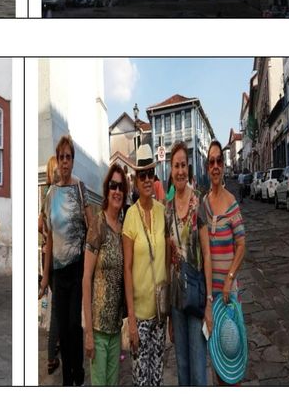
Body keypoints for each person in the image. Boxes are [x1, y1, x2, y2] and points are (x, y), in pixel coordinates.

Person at [40, 135, 92, 385]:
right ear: (57, 160)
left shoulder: (80, 189)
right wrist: (46, 275)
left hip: (78, 267)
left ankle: (76, 373)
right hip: (59, 272)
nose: (64, 162)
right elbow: (49, 238)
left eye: (68, 157)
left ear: (73, 160)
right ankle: (67, 379)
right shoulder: (50, 194)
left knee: (73, 325)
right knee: (61, 326)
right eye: (61, 157)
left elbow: (91, 229)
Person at [123, 144, 169, 387]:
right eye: (142, 175)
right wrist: (131, 319)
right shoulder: (130, 216)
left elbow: (169, 261)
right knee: (141, 380)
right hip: (139, 316)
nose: (147, 180)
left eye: (151, 174)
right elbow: (127, 270)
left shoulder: (163, 212)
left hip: (160, 313)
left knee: (157, 377)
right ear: (136, 180)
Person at [201, 138, 246, 387]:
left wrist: (229, 280)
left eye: (219, 160)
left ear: (223, 165)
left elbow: (242, 245)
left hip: (228, 294)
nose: (216, 166)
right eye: (211, 162)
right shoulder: (204, 204)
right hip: (211, 296)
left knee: (232, 356)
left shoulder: (231, 203)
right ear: (207, 167)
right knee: (216, 363)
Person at [166, 139, 209, 386]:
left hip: (197, 298)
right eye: (176, 166)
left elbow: (207, 254)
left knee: (198, 371)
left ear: (188, 168)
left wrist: (210, 303)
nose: (180, 170)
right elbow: (167, 262)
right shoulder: (168, 209)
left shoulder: (199, 204)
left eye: (183, 165)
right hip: (176, 302)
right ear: (171, 171)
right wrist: (170, 315)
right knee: (182, 368)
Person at [82, 163, 128, 387]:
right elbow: (86, 279)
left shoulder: (122, 229)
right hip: (98, 331)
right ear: (107, 190)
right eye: (113, 186)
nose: (117, 191)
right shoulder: (97, 224)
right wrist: (89, 332)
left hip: (115, 329)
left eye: (121, 187)